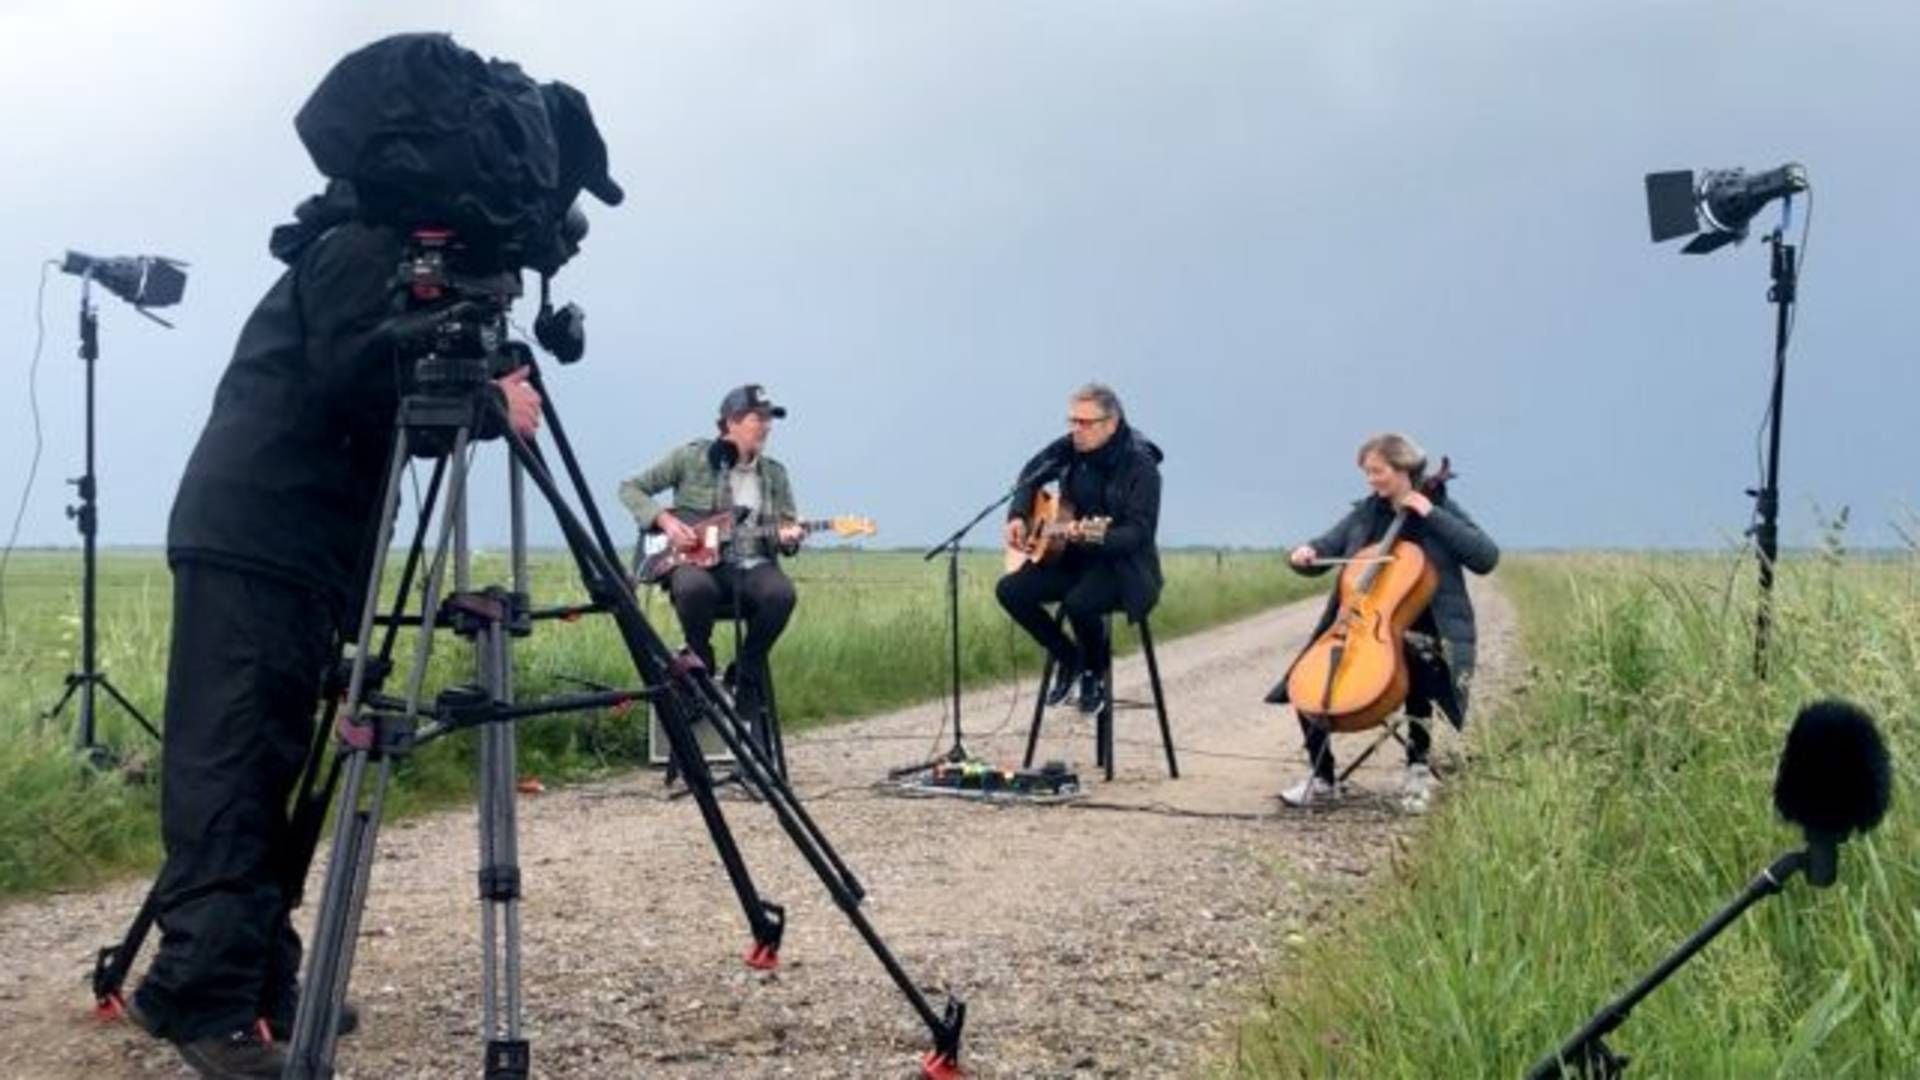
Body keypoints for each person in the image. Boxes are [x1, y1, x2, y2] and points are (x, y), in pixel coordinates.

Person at [129, 34, 620, 1079]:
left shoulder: (380, 255)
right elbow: (368, 374)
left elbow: (401, 390)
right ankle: (203, 1000)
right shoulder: (355, 251)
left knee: (285, 762)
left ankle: (259, 980)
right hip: (255, 538)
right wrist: (490, 401)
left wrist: (474, 380)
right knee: (236, 766)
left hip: (303, 549)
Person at [1270, 433, 1498, 813]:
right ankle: (1323, 777)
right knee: (1309, 674)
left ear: (1403, 469)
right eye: (1368, 473)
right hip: (1366, 626)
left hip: (1431, 631)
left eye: (1377, 472)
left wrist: (1430, 513)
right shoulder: (1368, 513)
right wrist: (1304, 554)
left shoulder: (1440, 508)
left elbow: (1486, 557)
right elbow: (1327, 544)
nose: (1371, 481)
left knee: (1414, 661)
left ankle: (1417, 769)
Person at [619, 384, 804, 726]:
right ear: (729, 423)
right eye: (756, 418)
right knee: (692, 588)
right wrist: (665, 521)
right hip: (697, 564)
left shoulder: (775, 474)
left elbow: (786, 531)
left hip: (752, 564)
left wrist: (790, 537)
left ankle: (746, 672)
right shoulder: (691, 457)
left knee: (782, 594)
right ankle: (700, 660)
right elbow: (631, 488)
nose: (765, 426)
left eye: (768, 419)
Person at [995, 383, 1164, 714]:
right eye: (1071, 421)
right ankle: (1069, 657)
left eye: (1084, 423)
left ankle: (1093, 672)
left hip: (1123, 567)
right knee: (1011, 591)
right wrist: (1017, 515)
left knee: (1080, 603)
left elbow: (1138, 534)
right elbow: (1030, 475)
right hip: (1069, 557)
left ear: (1111, 423)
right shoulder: (1069, 448)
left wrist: (1092, 535)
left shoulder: (1140, 465)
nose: (1075, 430)